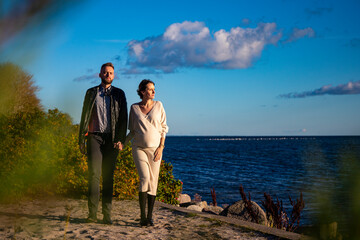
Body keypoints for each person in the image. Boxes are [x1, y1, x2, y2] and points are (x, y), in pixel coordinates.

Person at [78, 62, 127, 224]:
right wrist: (81, 139)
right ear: (99, 75)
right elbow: (84, 116)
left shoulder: (120, 94)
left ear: (114, 75)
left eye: (111, 73)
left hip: (112, 140)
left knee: (108, 177)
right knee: (93, 176)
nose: (108, 75)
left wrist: (120, 139)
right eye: (105, 72)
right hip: (94, 137)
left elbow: (123, 119)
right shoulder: (91, 93)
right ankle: (92, 214)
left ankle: (107, 215)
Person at [125, 79, 168, 227]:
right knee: (144, 178)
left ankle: (149, 217)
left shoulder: (159, 105)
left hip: (155, 150)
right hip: (139, 148)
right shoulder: (134, 108)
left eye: (154, 89)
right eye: (150, 89)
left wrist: (161, 147)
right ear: (142, 92)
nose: (153, 92)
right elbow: (132, 131)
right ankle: (142, 216)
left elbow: (164, 128)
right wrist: (122, 143)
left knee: (153, 182)